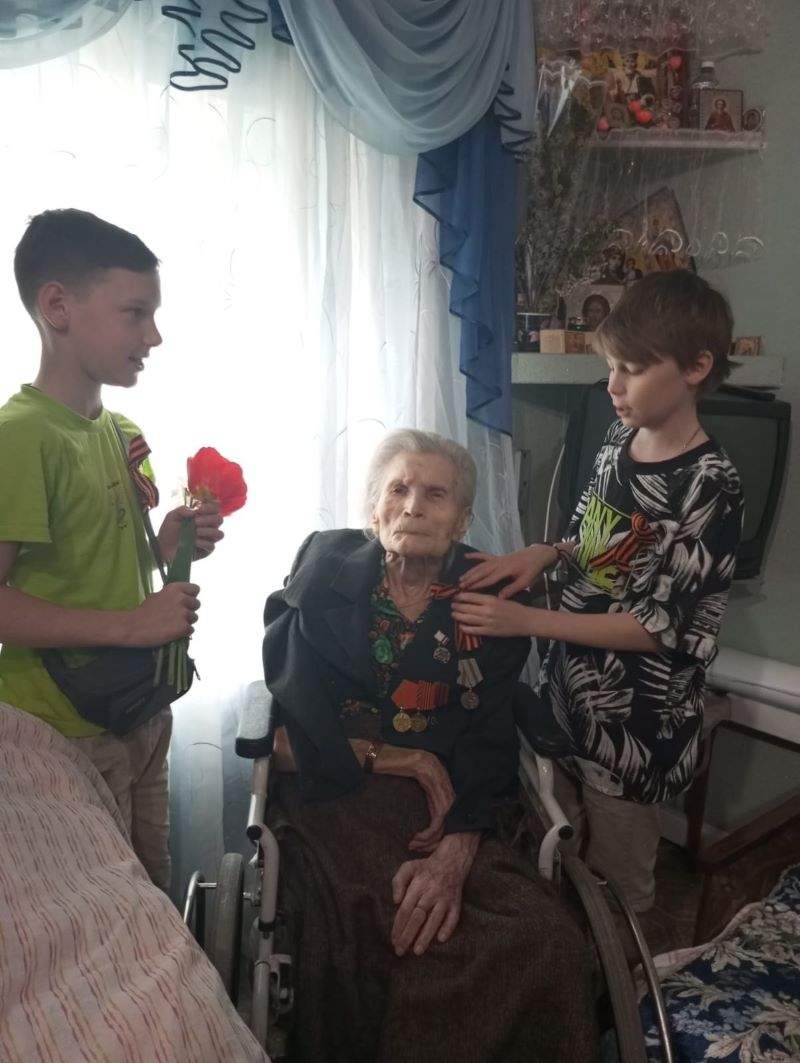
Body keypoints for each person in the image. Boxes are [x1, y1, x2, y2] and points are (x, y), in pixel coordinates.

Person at [262, 429, 597, 1063]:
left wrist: (456, 852)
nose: (414, 506)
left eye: (436, 495)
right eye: (399, 490)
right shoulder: (324, 573)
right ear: (374, 510)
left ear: (462, 520)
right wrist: (393, 757)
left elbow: (491, 735)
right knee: (358, 928)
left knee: (545, 938)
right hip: (339, 794)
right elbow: (287, 733)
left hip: (452, 806)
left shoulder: (490, 593)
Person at [453, 271, 744, 921]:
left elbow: (658, 627)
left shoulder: (710, 486)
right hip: (570, 696)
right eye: (611, 366)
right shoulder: (619, 438)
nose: (613, 386)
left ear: (696, 367)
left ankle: (625, 978)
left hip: (635, 728)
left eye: (632, 370)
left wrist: (528, 620)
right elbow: (596, 537)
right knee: (564, 853)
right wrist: (547, 552)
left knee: (620, 887)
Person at [0, 209, 224, 891]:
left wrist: (166, 548)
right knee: (99, 910)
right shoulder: (21, 436)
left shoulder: (118, 429)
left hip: (138, 709)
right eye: (135, 313)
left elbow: (96, 561)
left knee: (151, 890)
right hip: (61, 730)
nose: (153, 335)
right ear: (57, 306)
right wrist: (130, 625)